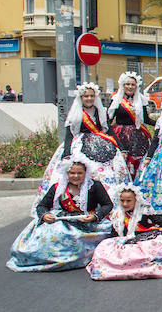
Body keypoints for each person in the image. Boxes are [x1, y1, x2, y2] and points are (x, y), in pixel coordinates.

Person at [35, 83, 129, 215]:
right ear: (81, 97)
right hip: (79, 145)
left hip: (101, 145)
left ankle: (108, 205)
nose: (89, 98)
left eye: (91, 96)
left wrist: (121, 147)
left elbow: (109, 131)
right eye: (86, 96)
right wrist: (67, 154)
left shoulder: (100, 111)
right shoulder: (75, 111)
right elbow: (69, 135)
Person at [7, 158, 113, 272]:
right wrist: (45, 215)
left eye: (79, 173)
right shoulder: (58, 187)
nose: (76, 176)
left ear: (85, 173)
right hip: (64, 220)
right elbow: (42, 206)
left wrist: (95, 216)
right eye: (72, 173)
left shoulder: (94, 186)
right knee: (52, 233)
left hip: (87, 222)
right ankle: (48, 258)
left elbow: (107, 205)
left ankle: (70, 257)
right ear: (66, 173)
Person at [107, 72, 156, 177]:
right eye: (127, 84)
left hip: (137, 136)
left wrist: (161, 124)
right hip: (120, 135)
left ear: (136, 86)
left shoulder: (141, 100)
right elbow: (108, 120)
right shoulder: (116, 100)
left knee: (137, 161)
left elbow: (146, 119)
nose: (130, 87)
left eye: (132, 84)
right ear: (123, 85)